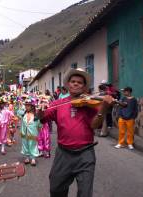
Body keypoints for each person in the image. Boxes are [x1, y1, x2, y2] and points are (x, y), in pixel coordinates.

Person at [38, 68, 114, 197]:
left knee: (85, 193)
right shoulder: (58, 103)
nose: (76, 84)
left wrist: (104, 108)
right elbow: (42, 117)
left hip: (85, 154)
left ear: (84, 87)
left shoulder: (90, 104)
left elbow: (94, 125)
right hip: (63, 153)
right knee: (56, 189)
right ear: (68, 84)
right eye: (73, 81)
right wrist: (39, 110)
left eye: (80, 82)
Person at [19, 97, 41, 166]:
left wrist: (38, 133)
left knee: (33, 145)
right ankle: (27, 157)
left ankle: (33, 158)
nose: (27, 107)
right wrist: (20, 104)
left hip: (33, 133)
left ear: (32, 106)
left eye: (28, 105)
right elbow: (18, 112)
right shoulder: (23, 114)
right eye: (26, 105)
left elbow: (39, 125)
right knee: (25, 144)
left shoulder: (35, 116)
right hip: (24, 132)